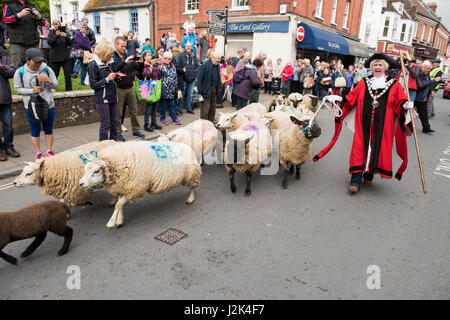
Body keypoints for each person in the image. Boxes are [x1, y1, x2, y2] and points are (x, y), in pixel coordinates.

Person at [313, 53, 410, 194]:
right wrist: (339, 97)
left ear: (385, 67)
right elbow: (351, 98)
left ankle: (369, 175)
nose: (377, 67)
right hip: (363, 125)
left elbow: (399, 102)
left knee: (377, 149)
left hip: (383, 126)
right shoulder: (364, 82)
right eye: (375, 65)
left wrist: (405, 105)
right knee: (359, 150)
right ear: (372, 68)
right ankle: (355, 181)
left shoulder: (394, 85)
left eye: (380, 64)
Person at [14, 48, 58, 161]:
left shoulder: (47, 69)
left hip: (48, 104)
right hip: (31, 106)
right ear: (27, 60)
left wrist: (48, 80)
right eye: (35, 61)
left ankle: (49, 150)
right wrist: (31, 91)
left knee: (48, 128)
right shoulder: (20, 72)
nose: (38, 64)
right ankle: (38, 153)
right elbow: (17, 89)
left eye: (40, 61)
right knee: (35, 129)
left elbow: (56, 86)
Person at [112, 36, 145, 140]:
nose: (124, 48)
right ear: (116, 44)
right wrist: (124, 62)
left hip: (130, 86)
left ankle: (136, 130)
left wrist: (141, 62)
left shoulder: (127, 55)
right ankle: (118, 133)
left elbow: (139, 70)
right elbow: (113, 70)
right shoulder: (112, 57)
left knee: (134, 111)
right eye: (122, 46)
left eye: (125, 46)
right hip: (119, 88)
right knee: (119, 112)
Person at [88, 41, 118, 141]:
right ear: (104, 54)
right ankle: (103, 146)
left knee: (115, 123)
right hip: (102, 98)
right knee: (106, 124)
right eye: (109, 55)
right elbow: (93, 85)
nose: (111, 57)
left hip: (113, 96)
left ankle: (114, 143)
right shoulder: (93, 64)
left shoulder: (110, 61)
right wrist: (107, 79)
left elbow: (114, 72)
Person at [3, 0, 46, 67]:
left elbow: (43, 23)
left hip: (33, 42)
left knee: (37, 66)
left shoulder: (32, 6)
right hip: (18, 43)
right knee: (19, 68)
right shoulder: (9, 4)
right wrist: (19, 15)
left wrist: (38, 17)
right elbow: (6, 19)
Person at [0, 45, 20, 161]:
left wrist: (2, 67)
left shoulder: (3, 55)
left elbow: (13, 72)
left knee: (8, 125)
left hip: (4, 97)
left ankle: (8, 146)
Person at [138, 50, 162, 132]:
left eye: (151, 55)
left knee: (155, 105)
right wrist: (151, 66)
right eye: (148, 55)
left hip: (155, 86)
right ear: (144, 57)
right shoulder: (144, 66)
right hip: (148, 87)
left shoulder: (154, 65)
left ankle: (153, 122)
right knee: (149, 106)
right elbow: (146, 75)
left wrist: (159, 66)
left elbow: (159, 74)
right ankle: (146, 123)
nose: (150, 57)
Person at [415, 60, 441, 134]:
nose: (427, 70)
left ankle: (426, 128)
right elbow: (421, 85)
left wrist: (432, 90)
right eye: (426, 68)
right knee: (410, 115)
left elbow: (428, 84)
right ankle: (408, 127)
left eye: (429, 68)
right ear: (422, 68)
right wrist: (434, 80)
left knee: (424, 115)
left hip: (423, 98)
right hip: (417, 98)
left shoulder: (427, 74)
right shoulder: (419, 74)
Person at [47, 20, 73, 91]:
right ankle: (52, 87)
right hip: (55, 57)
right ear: (52, 25)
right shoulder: (51, 33)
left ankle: (69, 89)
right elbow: (50, 42)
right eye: (55, 25)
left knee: (67, 74)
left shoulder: (64, 33)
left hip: (65, 57)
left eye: (58, 24)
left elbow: (71, 43)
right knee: (55, 74)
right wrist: (56, 35)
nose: (56, 26)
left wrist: (66, 36)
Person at [197, 51, 221, 122]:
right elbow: (199, 79)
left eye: (219, 58)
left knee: (212, 108)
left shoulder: (217, 65)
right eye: (218, 58)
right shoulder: (205, 65)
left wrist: (218, 87)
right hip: (206, 89)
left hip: (214, 88)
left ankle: (210, 124)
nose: (219, 60)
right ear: (212, 58)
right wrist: (199, 92)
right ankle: (204, 124)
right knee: (205, 109)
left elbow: (218, 77)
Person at [160, 51, 181, 125]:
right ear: (163, 58)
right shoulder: (161, 66)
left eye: (169, 59)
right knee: (163, 106)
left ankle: (174, 118)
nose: (167, 60)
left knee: (172, 105)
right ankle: (162, 119)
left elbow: (175, 77)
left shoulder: (173, 66)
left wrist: (175, 87)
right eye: (165, 58)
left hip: (172, 89)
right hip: (164, 89)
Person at [179, 41, 198, 114]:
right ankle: (179, 109)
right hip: (184, 78)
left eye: (190, 46)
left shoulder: (194, 55)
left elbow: (197, 66)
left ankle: (189, 108)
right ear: (185, 47)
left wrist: (195, 74)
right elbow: (179, 66)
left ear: (191, 47)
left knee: (190, 95)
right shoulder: (181, 55)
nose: (188, 48)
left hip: (192, 79)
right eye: (187, 46)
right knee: (182, 94)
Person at [171, 46, 184, 116]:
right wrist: (182, 70)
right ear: (172, 52)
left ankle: (178, 109)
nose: (176, 53)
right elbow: (176, 68)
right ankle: (176, 111)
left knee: (179, 96)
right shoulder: (172, 59)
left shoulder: (179, 59)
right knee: (176, 97)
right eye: (175, 52)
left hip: (180, 80)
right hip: (176, 80)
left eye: (177, 52)